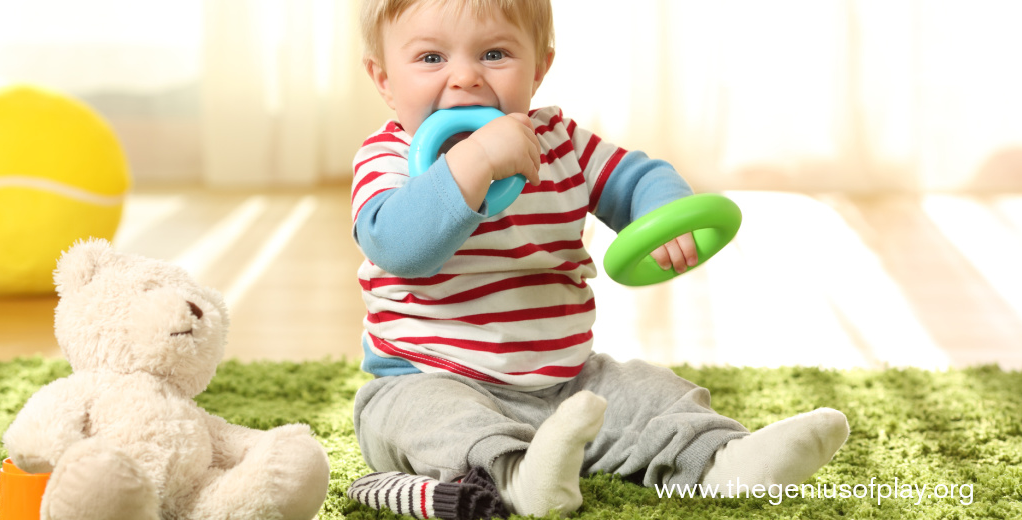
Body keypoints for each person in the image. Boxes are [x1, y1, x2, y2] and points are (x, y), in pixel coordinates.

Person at [346, 0, 850, 517]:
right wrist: (473, 162)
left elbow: (638, 178)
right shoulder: (387, 160)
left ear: (538, 69)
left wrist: (664, 215)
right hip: (430, 376)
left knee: (649, 393)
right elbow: (399, 248)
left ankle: (722, 460)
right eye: (431, 58)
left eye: (494, 54)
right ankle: (518, 477)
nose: (466, 78)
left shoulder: (560, 145)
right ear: (384, 79)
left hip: (567, 379)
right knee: (416, 420)